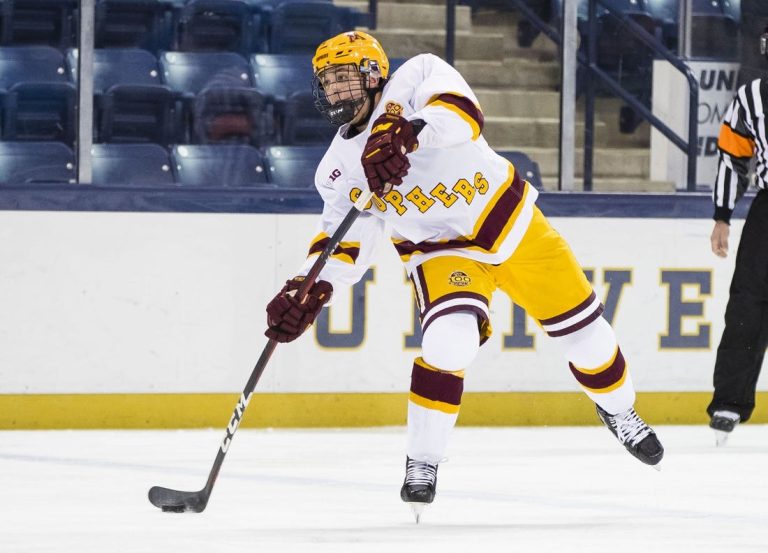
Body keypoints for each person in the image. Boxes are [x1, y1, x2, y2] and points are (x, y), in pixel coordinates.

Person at [264, 31, 664, 519]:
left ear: (373, 76)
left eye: (345, 77)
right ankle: (423, 461)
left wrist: (409, 131)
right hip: (439, 251)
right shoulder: (335, 170)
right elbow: (344, 244)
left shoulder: (418, 77)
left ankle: (620, 410)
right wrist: (309, 288)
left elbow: (464, 117)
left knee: (591, 338)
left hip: (511, 224)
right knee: (447, 343)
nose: (335, 91)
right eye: (327, 82)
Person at [708, 28, 768, 446]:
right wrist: (722, 216)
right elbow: (733, 159)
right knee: (747, 304)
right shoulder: (751, 97)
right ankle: (730, 400)